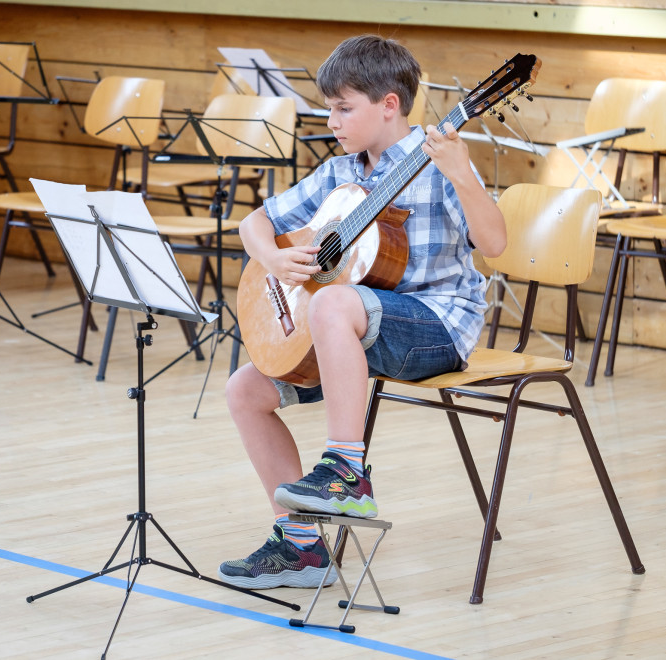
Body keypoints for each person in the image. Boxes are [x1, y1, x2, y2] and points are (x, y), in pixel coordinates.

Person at [217, 35, 506, 590]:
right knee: (244, 391)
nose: (332, 121)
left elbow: (493, 244)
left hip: (435, 326)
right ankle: (301, 547)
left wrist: (463, 174)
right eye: (330, 108)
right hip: (360, 325)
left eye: (343, 108)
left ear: (389, 105)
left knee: (332, 300)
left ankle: (347, 472)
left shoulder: (438, 164)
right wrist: (274, 258)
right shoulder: (339, 173)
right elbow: (254, 222)